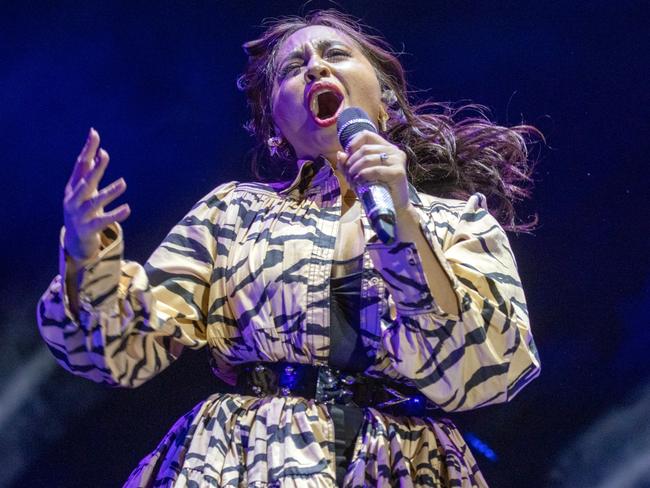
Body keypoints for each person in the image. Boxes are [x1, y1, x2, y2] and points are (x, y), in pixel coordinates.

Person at [37, 10, 541, 487]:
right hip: (249, 456)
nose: (317, 66)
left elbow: (485, 368)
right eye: (293, 68)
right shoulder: (233, 213)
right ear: (274, 123)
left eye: (335, 54)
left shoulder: (458, 221)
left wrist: (403, 216)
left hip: (401, 464)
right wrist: (88, 260)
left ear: (384, 96)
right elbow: (122, 351)